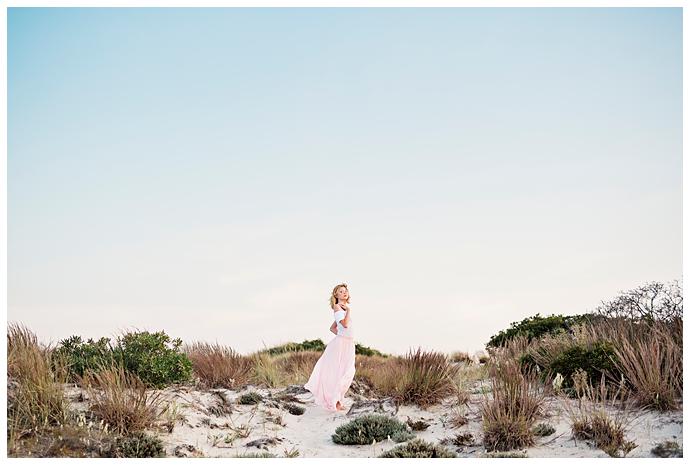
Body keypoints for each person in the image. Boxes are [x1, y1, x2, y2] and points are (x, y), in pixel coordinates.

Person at [303, 283, 356, 412]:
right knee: (340, 373)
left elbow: (333, 328)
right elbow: (345, 324)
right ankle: (336, 403)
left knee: (346, 372)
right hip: (341, 345)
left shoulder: (342, 309)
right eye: (341, 291)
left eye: (345, 291)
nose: (344, 293)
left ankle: (338, 401)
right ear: (336, 295)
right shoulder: (338, 308)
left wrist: (342, 334)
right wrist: (349, 312)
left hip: (348, 343)